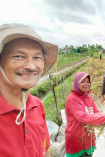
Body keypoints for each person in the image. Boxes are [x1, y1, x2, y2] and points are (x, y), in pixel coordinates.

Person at [0, 23, 58, 157]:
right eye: (19, 56)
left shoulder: (37, 106)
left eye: (37, 57)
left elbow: (44, 150)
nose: (31, 66)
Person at [65, 72, 105, 157]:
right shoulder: (72, 99)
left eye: (88, 81)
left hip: (88, 138)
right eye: (82, 81)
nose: (86, 84)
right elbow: (83, 117)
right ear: (76, 83)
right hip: (76, 139)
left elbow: (96, 113)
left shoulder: (88, 98)